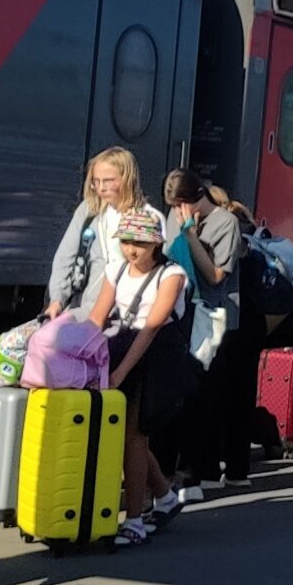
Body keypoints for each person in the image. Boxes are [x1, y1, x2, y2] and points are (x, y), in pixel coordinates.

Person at [87, 206, 192, 542]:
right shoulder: (115, 270)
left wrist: (118, 373)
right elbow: (97, 318)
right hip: (124, 346)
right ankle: (164, 496)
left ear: (156, 244)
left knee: (133, 435)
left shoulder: (172, 274)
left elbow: (151, 327)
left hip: (159, 355)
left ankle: (134, 520)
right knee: (125, 435)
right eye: (126, 241)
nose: (131, 249)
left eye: (140, 243)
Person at [161, 170, 253, 498]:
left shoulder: (225, 223)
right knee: (177, 394)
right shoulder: (175, 217)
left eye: (182, 204)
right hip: (179, 312)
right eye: (173, 206)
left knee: (204, 396)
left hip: (212, 317)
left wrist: (189, 235)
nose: (178, 211)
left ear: (197, 197)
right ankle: (171, 468)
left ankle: (195, 471)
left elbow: (215, 275)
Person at [45, 146, 143, 321]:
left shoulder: (143, 219)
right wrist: (57, 300)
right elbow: (65, 256)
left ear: (127, 179)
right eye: (96, 181)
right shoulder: (89, 210)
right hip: (82, 303)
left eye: (108, 181)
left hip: (119, 314)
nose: (101, 188)